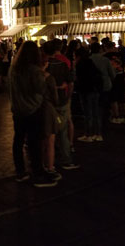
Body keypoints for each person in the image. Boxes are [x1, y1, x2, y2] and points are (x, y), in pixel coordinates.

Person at [9, 41, 57, 187]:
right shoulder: (33, 70)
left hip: (17, 110)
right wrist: (45, 76)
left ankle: (20, 171)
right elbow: (41, 89)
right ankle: (37, 173)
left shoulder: (13, 69)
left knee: (18, 140)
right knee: (34, 141)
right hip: (33, 110)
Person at [43, 41, 79, 172]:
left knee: (47, 132)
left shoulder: (44, 65)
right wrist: (68, 95)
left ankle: (47, 162)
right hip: (62, 99)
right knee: (63, 129)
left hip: (47, 102)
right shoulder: (64, 63)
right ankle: (65, 159)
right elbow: (71, 83)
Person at [75, 48, 102, 142]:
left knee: (87, 113)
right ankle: (98, 134)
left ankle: (88, 134)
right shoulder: (91, 62)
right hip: (94, 90)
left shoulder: (79, 65)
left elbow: (78, 79)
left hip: (85, 91)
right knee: (96, 113)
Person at [90, 42, 115, 139]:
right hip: (105, 85)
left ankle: (95, 126)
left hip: (93, 86)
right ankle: (105, 124)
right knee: (105, 106)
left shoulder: (89, 59)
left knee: (94, 107)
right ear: (100, 49)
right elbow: (112, 73)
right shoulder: (105, 60)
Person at [109, 55, 125, 123]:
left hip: (115, 79)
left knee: (114, 99)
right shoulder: (119, 58)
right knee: (122, 99)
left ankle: (116, 117)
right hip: (121, 79)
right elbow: (123, 70)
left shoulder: (109, 60)